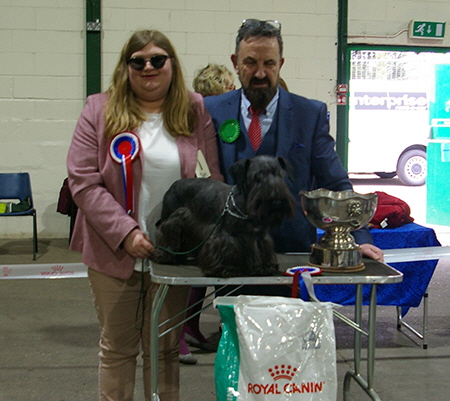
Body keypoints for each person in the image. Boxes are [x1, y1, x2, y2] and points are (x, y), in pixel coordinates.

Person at [67, 30, 223, 401]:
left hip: (174, 255)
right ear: (126, 67)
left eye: (157, 59)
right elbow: (83, 181)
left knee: (165, 349)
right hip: (112, 251)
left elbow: (211, 180)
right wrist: (126, 233)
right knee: (118, 349)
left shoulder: (194, 108)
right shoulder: (98, 109)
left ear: (172, 64)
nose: (148, 67)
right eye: (137, 61)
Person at [204, 19, 384, 264]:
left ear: (280, 64)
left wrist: (359, 238)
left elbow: (334, 182)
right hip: (227, 250)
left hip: (292, 254)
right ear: (236, 63)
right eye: (250, 62)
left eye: (269, 63)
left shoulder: (309, 114)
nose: (260, 73)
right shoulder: (210, 110)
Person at [178, 63, 236, 365]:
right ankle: (177, 332)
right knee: (193, 270)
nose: (233, 91)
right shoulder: (199, 113)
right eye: (229, 86)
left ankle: (190, 327)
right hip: (201, 198)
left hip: (215, 194)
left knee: (205, 269)